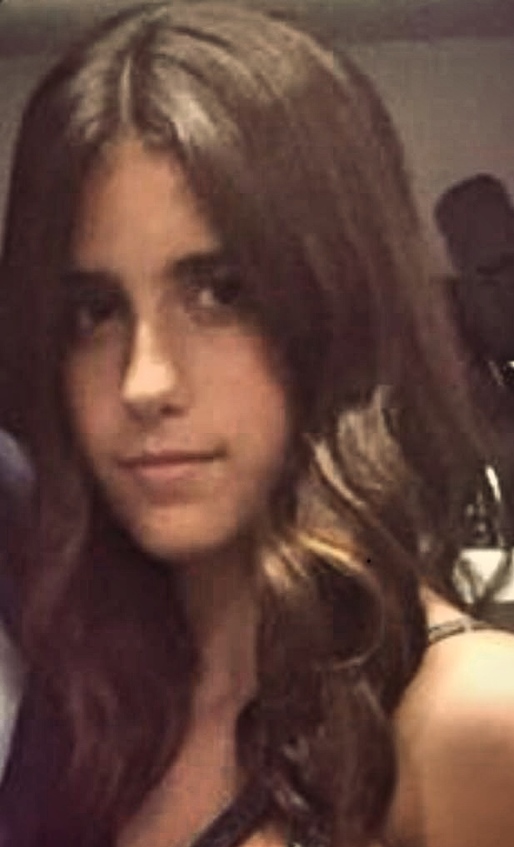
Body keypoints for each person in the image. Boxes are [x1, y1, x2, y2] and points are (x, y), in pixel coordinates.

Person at [0, 3, 513, 847]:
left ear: (337, 304)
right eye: (94, 310)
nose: (144, 381)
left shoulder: (469, 722)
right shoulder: (90, 704)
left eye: (221, 293)